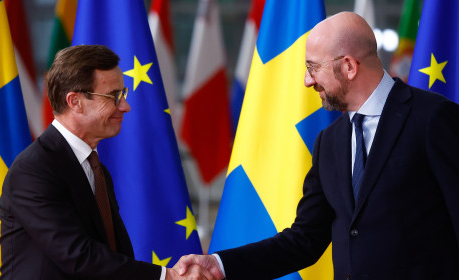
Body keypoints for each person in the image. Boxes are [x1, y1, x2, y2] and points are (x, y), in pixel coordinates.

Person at [174, 12, 459, 280]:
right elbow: (304, 240)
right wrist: (221, 265)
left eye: (313, 68)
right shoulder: (329, 142)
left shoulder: (433, 119)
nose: (307, 81)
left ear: (348, 66)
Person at [0, 45, 209, 280]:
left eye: (123, 94)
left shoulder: (95, 168)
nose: (125, 106)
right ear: (75, 101)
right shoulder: (33, 171)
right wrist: (167, 276)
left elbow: (115, 251)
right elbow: (78, 256)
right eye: (113, 96)